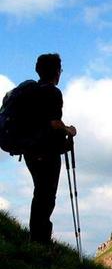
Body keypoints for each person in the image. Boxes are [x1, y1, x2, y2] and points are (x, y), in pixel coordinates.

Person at [25, 53, 77, 245]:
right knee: (46, 196)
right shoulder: (53, 93)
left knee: (40, 193)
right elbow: (54, 123)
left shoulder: (31, 91)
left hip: (29, 151)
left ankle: (36, 238)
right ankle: (39, 241)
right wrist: (69, 130)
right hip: (46, 152)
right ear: (56, 72)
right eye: (60, 70)